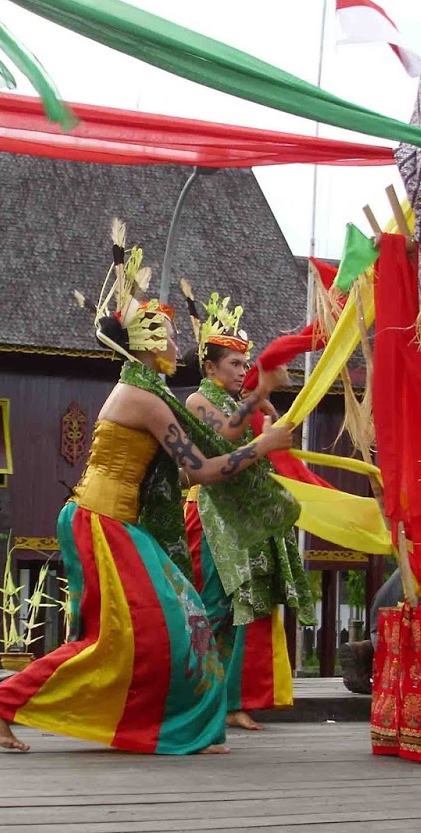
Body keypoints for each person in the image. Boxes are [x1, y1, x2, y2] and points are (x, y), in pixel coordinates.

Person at [0, 236, 293, 755]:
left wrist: (257, 415)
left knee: (176, 625)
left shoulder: (150, 393)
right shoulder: (143, 398)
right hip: (99, 520)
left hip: (116, 523)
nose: (173, 346)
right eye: (164, 337)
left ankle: (188, 728)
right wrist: (264, 444)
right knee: (133, 632)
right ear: (143, 345)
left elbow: (190, 468)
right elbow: (203, 469)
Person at [182, 294, 305, 730]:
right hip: (213, 511)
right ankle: (201, 699)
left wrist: (268, 405)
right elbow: (228, 436)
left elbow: (267, 435)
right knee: (216, 605)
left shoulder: (245, 399)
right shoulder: (199, 400)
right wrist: (261, 394)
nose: (241, 370)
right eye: (233, 364)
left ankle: (231, 702)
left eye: (243, 363)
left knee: (244, 606)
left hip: (243, 510)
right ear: (210, 367)